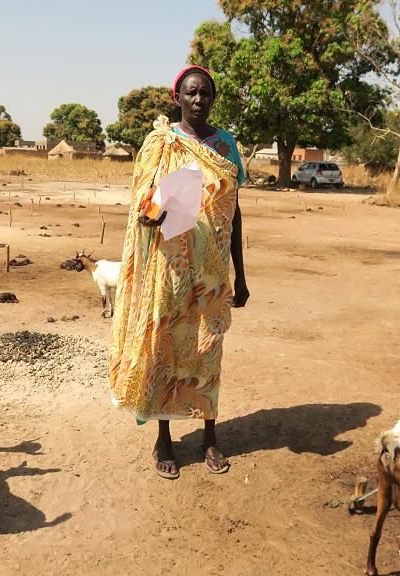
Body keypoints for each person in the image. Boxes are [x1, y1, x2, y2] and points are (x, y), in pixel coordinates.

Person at [109, 65, 249, 480]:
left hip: (212, 272)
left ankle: (210, 436)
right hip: (169, 268)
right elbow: (144, 204)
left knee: (208, 351)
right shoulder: (161, 142)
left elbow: (234, 211)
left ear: (213, 98)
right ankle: (164, 438)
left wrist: (241, 274)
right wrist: (151, 213)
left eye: (205, 93)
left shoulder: (226, 146)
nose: (198, 99)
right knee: (166, 349)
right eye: (191, 93)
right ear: (178, 98)